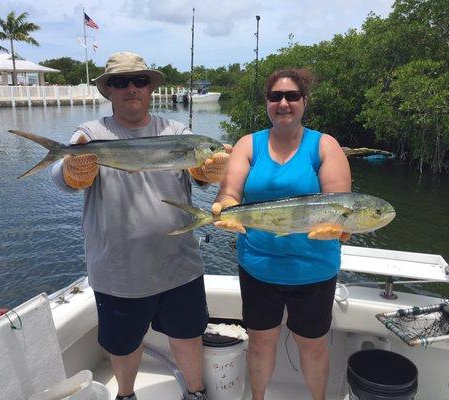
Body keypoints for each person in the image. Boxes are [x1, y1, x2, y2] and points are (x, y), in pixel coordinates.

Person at [51, 52, 231, 400]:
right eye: (121, 82)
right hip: (117, 270)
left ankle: (196, 393)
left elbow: (204, 172)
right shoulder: (91, 134)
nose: (131, 88)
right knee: (123, 344)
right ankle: (126, 395)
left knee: (187, 335)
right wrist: (72, 172)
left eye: (139, 81)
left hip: (179, 265)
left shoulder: (177, 131)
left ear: (150, 88)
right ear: (108, 91)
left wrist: (209, 169)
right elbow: (60, 179)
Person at [212, 68, 351, 400]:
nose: (284, 103)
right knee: (260, 341)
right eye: (276, 97)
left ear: (305, 101)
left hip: (312, 269)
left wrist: (342, 228)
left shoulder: (325, 146)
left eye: (292, 96)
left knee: (313, 345)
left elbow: (340, 205)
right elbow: (229, 193)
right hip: (258, 266)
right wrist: (225, 207)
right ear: (267, 102)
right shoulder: (249, 144)